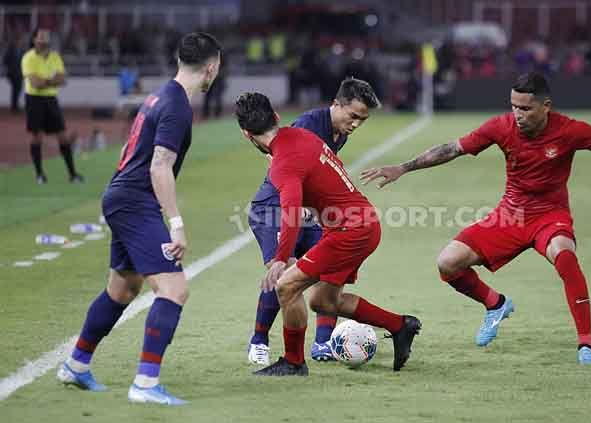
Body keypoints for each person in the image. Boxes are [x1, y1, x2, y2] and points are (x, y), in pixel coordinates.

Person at [361, 72, 591, 365]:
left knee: (564, 254)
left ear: (546, 107)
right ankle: (495, 304)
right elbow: (452, 148)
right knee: (447, 263)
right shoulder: (501, 127)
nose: (517, 114)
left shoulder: (570, 131)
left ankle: (586, 343)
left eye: (526, 108)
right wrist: (403, 167)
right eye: (513, 106)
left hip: (551, 215)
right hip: (511, 214)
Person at [56, 32, 221, 405]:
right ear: (212, 67)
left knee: (122, 289)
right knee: (174, 290)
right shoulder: (177, 105)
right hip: (134, 203)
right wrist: (176, 222)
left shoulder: (160, 94)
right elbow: (159, 165)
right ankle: (145, 384)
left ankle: (76, 365)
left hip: (121, 197)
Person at [235, 92, 421, 376]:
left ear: (246, 134)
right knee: (323, 302)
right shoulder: (305, 136)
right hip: (361, 223)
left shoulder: (282, 163)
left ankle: (294, 362)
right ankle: (400, 325)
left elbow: (291, 213)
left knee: (286, 286)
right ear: (275, 117)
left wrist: (279, 259)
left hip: (350, 231)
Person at [247, 77, 381, 365]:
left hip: (308, 209)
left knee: (326, 270)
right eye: (353, 115)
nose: (356, 123)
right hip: (275, 207)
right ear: (336, 104)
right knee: (282, 272)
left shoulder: (340, 132)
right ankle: (258, 340)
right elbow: (279, 160)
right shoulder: (309, 125)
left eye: (362, 119)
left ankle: (322, 343)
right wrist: (302, 207)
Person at [21, 28, 83, 184]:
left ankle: (73, 174)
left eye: (46, 37)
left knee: (62, 136)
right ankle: (39, 174)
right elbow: (35, 84)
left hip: (50, 99)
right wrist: (52, 80)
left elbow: (62, 79)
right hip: (34, 99)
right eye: (41, 37)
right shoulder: (28, 58)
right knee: (37, 136)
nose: (44, 40)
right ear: (34, 39)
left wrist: (45, 81)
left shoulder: (55, 57)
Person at [3, 35, 23, 113]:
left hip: (20, 73)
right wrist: (10, 67)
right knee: (15, 89)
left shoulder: (22, 50)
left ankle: (15, 106)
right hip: (12, 73)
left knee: (18, 89)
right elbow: (5, 60)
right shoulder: (10, 50)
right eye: (18, 41)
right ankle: (14, 106)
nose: (19, 43)